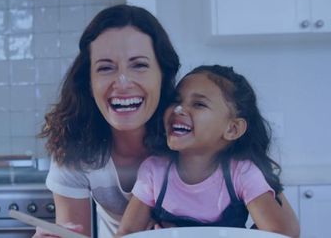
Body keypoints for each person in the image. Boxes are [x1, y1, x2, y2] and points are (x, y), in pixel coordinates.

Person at [34, 4, 181, 238]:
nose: (122, 82)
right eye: (105, 68)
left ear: (163, 75)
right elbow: (74, 232)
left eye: (139, 65)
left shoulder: (190, 137)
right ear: (89, 83)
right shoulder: (75, 147)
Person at [116, 65, 300, 238]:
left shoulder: (242, 173)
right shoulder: (154, 170)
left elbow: (279, 234)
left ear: (232, 129)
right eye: (176, 101)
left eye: (199, 104)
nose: (179, 109)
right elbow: (128, 233)